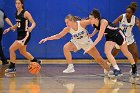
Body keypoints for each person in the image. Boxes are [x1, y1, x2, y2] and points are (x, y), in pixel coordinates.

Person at [39, 14, 110, 74]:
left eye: (67, 22)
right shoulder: (67, 29)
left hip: (86, 43)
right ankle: (70, 67)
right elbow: (58, 36)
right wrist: (46, 38)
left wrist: (103, 25)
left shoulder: (82, 23)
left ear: (72, 21)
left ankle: (109, 70)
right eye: (65, 23)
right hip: (76, 43)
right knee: (66, 47)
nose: (66, 24)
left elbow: (93, 21)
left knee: (99, 59)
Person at [86, 8, 137, 77]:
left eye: (91, 18)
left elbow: (99, 38)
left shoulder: (103, 22)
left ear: (97, 18)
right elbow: (97, 28)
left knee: (126, 52)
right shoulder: (94, 23)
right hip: (110, 37)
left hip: (118, 34)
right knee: (107, 51)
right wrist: (92, 34)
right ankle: (117, 69)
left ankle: (134, 66)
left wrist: (90, 47)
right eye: (89, 18)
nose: (89, 20)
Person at [3, 0, 41, 73]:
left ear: (22, 4)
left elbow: (33, 23)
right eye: (16, 3)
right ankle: (36, 61)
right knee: (23, 52)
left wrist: (31, 28)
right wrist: (10, 28)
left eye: (19, 3)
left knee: (11, 49)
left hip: (25, 35)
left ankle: (12, 67)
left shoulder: (25, 13)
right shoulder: (16, 13)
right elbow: (18, 24)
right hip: (20, 35)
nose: (17, 5)